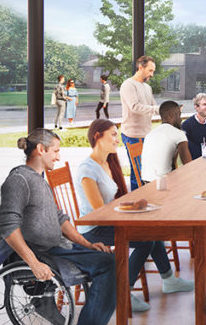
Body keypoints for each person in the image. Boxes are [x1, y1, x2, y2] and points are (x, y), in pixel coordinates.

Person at [0, 129, 117, 325]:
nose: (58, 156)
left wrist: (88, 244)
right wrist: (33, 263)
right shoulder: (18, 180)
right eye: (55, 151)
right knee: (108, 264)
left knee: (108, 257)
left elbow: (60, 218)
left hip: (57, 247)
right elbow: (7, 226)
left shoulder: (38, 179)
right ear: (41, 150)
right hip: (40, 253)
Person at [74, 119, 194, 313]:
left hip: (106, 222)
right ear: (97, 136)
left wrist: (134, 205)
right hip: (93, 229)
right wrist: (131, 211)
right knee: (146, 240)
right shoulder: (87, 170)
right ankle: (123, 291)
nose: (117, 140)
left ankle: (169, 279)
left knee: (152, 232)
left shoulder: (108, 163)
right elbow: (100, 212)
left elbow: (115, 201)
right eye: (113, 134)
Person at [119, 56, 159, 190]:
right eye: (150, 70)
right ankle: (137, 202)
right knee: (137, 172)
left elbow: (154, 106)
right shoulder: (128, 85)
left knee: (146, 171)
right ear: (140, 67)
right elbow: (134, 107)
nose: (151, 74)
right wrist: (156, 109)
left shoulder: (147, 88)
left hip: (146, 135)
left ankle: (145, 199)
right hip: (132, 135)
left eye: (153, 71)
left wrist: (168, 110)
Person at [140, 101, 192, 182]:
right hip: (164, 184)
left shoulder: (150, 134)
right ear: (172, 115)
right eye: (179, 114)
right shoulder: (179, 134)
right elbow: (189, 165)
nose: (180, 119)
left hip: (146, 183)